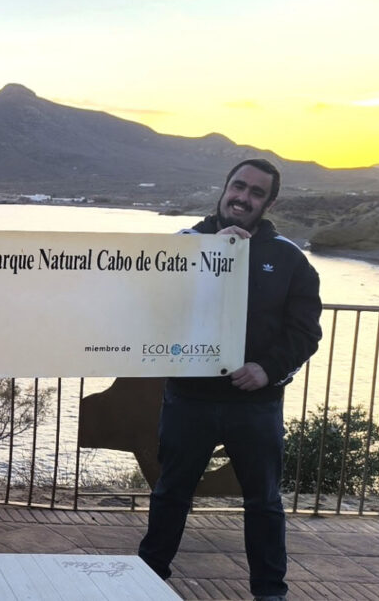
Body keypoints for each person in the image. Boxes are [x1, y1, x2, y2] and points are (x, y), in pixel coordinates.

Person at [137, 159, 322, 601]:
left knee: (264, 502)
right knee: (170, 494)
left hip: (256, 405)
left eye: (257, 192)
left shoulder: (290, 259)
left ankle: (270, 592)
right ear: (224, 188)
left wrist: (268, 369)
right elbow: (149, 305)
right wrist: (207, 257)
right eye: (238, 186)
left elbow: (304, 333)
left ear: (269, 203)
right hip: (189, 398)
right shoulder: (183, 245)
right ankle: (145, 580)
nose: (243, 197)